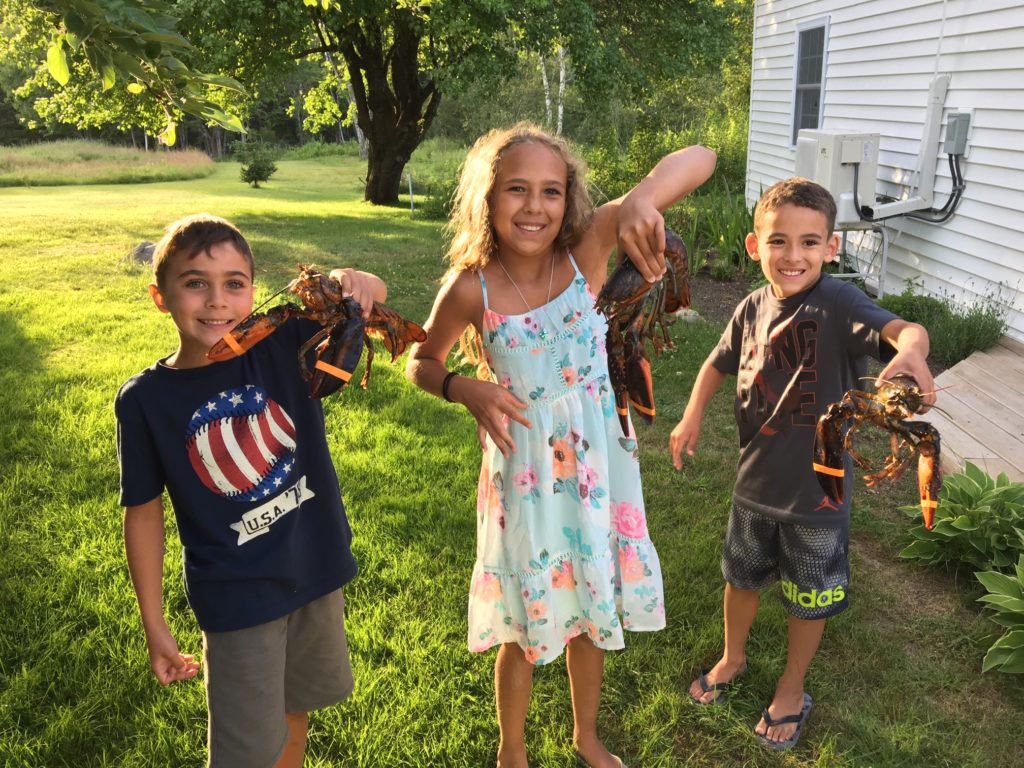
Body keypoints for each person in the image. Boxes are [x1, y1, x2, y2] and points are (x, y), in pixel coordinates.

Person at [406, 124, 717, 768]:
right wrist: (465, 388)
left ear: (568, 199)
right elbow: (421, 361)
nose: (535, 207)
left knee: (591, 607)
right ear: (488, 199)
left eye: (552, 191)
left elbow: (702, 157)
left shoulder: (584, 253)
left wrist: (642, 200)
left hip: (597, 467)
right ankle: (511, 751)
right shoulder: (473, 286)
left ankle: (586, 737)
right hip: (526, 474)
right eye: (517, 190)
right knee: (524, 626)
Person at [668, 177, 935, 750]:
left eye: (810, 243)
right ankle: (732, 657)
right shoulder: (749, 307)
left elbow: (902, 329)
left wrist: (912, 349)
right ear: (753, 245)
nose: (794, 256)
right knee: (740, 580)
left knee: (807, 597)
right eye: (779, 241)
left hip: (819, 496)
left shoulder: (839, 302)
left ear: (831, 248)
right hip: (753, 483)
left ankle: (792, 686)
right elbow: (716, 364)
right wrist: (691, 417)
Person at [115, 213, 387, 768]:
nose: (217, 301)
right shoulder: (144, 401)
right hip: (238, 597)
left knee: (294, 712)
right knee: (244, 751)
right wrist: (155, 623)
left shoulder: (282, 342)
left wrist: (355, 279)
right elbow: (142, 513)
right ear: (159, 296)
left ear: (253, 293)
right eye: (196, 283)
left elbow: (371, 297)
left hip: (316, 571)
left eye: (234, 284)